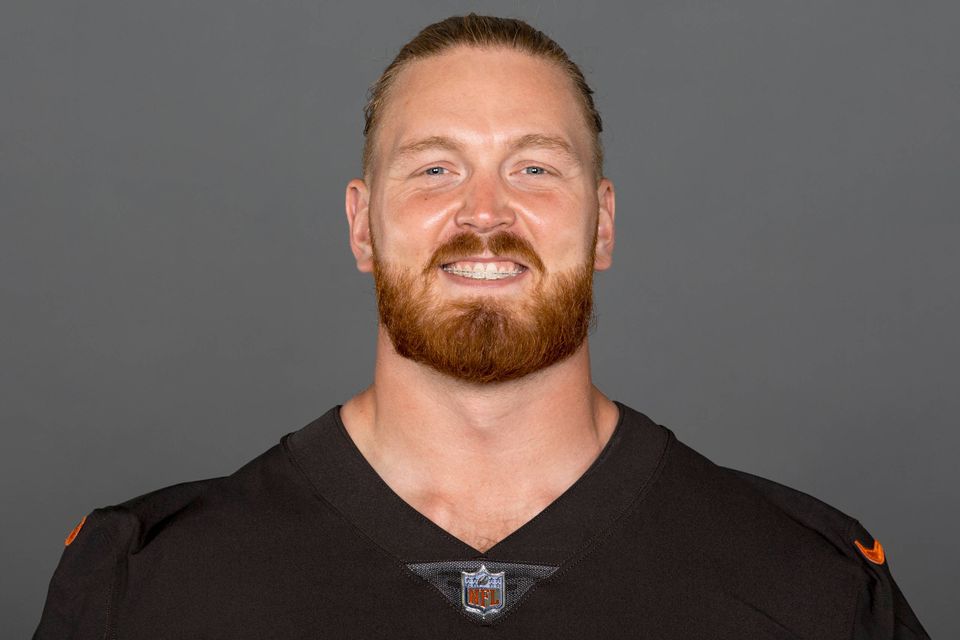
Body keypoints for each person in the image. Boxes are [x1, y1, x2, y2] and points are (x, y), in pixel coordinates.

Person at [34, 14, 929, 639]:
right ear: (361, 226)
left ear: (603, 223)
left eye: (535, 168)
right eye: (434, 169)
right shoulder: (143, 586)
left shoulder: (809, 583)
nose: (486, 213)